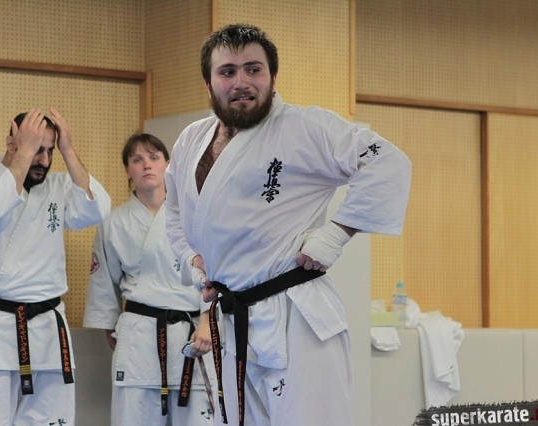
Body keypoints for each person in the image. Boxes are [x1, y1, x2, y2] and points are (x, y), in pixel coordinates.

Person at [165, 24, 412, 426]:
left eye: (253, 69)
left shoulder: (305, 127)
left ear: (273, 77)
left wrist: (336, 234)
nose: (242, 82)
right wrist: (194, 261)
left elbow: (387, 161)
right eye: (227, 72)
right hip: (233, 318)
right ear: (208, 84)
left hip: (296, 316)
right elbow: (175, 210)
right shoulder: (191, 140)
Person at [0, 108, 111, 426]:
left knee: (50, 419)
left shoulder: (59, 186)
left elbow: (97, 210)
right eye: (37, 148)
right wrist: (24, 154)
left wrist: (68, 149)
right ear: (12, 143)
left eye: (50, 150)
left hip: (47, 325)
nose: (44, 159)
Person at [83, 133, 216, 426]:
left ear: (168, 165)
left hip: (193, 334)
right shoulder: (114, 223)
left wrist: (208, 320)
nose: (146, 165)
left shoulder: (194, 218)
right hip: (139, 336)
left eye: (154, 158)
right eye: (137, 160)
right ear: (127, 171)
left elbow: (215, 276)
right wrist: (116, 331)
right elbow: (103, 285)